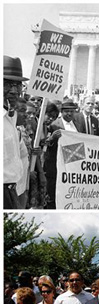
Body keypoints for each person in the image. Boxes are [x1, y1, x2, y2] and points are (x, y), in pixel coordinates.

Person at [44, 99, 80, 209]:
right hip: (55, 166)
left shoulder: (78, 125)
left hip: (72, 166)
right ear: (62, 112)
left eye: (72, 111)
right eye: (67, 111)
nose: (69, 113)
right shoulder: (53, 125)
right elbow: (45, 144)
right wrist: (52, 138)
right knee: (53, 194)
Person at [3, 55, 29, 209]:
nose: (14, 91)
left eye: (17, 85)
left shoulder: (11, 119)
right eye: (7, 84)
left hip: (13, 193)